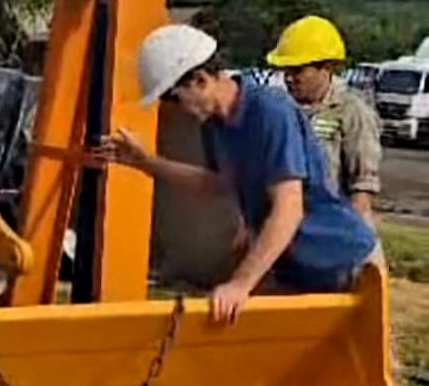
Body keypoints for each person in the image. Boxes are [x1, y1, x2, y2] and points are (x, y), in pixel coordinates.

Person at [91, 24, 378, 324]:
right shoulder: (215, 125)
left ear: (200, 80)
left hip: (343, 262)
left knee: (362, 369)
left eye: (173, 99)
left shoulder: (270, 111)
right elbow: (217, 182)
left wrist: (240, 284)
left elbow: (288, 207)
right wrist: (145, 162)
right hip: (295, 267)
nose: (175, 110)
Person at [267, 15, 381, 223]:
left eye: (298, 70)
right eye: (286, 70)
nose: (289, 78)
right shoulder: (281, 108)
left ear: (326, 68)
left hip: (334, 226)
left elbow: (362, 186)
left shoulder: (352, 111)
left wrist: (350, 236)